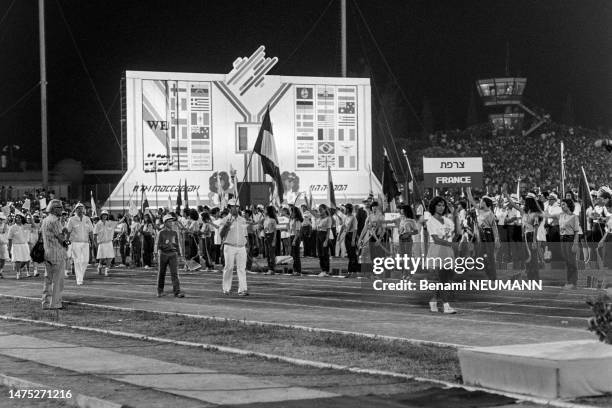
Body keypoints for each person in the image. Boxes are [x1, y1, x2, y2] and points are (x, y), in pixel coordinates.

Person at [426, 196, 457, 314]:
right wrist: (450, 244)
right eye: (439, 205)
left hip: (448, 251)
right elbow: (436, 239)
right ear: (434, 206)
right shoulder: (431, 221)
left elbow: (456, 232)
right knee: (440, 278)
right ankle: (446, 305)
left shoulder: (448, 221)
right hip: (437, 250)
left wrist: (455, 214)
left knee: (446, 279)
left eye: (443, 205)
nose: (441, 207)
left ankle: (433, 301)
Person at [546, 198, 580, 289]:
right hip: (562, 240)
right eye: (561, 204)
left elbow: (577, 232)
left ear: (568, 205)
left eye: (563, 204)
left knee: (572, 261)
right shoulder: (560, 215)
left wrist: (575, 244)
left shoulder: (574, 217)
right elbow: (548, 215)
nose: (562, 206)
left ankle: (573, 282)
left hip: (570, 239)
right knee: (567, 261)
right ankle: (569, 282)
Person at [41, 199, 69, 310]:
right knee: (58, 280)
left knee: (48, 279)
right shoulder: (55, 220)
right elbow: (61, 238)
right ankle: (55, 303)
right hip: (57, 253)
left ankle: (46, 302)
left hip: (47, 252)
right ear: (54, 209)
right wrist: (67, 239)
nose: (61, 210)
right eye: (60, 208)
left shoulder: (45, 220)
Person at [220, 199, 249, 295]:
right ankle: (226, 289)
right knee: (229, 267)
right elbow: (221, 234)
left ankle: (242, 289)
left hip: (241, 247)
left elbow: (245, 234)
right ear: (229, 208)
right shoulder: (224, 220)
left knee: (242, 268)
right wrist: (226, 226)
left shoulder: (243, 220)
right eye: (233, 206)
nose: (236, 208)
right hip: (229, 247)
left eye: (237, 206)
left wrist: (247, 246)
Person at [156, 214, 185, 297]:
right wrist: (156, 254)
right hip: (163, 254)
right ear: (165, 223)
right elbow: (157, 244)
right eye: (169, 222)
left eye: (172, 221)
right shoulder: (161, 233)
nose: (171, 223)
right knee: (162, 273)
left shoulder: (174, 232)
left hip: (173, 254)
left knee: (175, 273)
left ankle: (177, 292)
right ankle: (160, 291)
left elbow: (176, 244)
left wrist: (179, 254)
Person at [65, 203, 94, 285]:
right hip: (75, 243)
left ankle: (80, 276)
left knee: (85, 261)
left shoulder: (87, 219)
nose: (80, 210)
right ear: (75, 210)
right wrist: (67, 242)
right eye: (78, 208)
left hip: (85, 243)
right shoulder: (72, 219)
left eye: (82, 208)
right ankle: (79, 279)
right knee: (77, 261)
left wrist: (93, 241)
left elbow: (91, 231)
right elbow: (68, 231)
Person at [8, 210, 31, 279]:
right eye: (16, 218)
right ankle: (18, 273)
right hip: (16, 245)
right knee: (18, 260)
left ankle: (20, 268)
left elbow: (33, 224)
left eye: (19, 218)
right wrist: (9, 248)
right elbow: (9, 238)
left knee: (26, 260)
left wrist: (30, 215)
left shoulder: (25, 226)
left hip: (24, 245)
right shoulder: (12, 227)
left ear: (22, 219)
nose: (17, 219)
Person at [397, 204, 419, 278]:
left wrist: (409, 233)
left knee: (408, 257)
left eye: (403, 210)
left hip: (408, 239)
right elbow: (400, 229)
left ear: (406, 211)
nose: (401, 212)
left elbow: (416, 231)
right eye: (401, 210)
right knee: (402, 257)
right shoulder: (401, 219)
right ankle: (404, 273)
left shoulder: (412, 220)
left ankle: (409, 273)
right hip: (401, 239)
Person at [94, 210, 117, 277]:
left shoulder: (109, 223)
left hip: (109, 242)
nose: (105, 216)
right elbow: (95, 234)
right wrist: (95, 243)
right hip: (102, 243)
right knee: (102, 257)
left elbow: (118, 223)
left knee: (110, 257)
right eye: (103, 215)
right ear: (101, 216)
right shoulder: (98, 224)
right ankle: (100, 266)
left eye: (106, 215)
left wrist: (124, 217)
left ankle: (107, 269)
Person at [341, 203, 359, 277]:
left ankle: (353, 272)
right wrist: (340, 236)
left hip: (352, 236)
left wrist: (353, 240)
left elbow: (355, 230)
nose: (344, 210)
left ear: (348, 209)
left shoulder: (353, 218)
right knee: (349, 254)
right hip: (347, 236)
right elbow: (343, 226)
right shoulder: (346, 217)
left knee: (353, 255)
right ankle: (350, 272)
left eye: (345, 208)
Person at [315, 204, 332, 276]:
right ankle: (323, 270)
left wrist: (326, 240)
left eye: (321, 209)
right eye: (319, 209)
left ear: (325, 209)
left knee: (325, 254)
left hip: (324, 235)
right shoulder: (319, 217)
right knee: (319, 254)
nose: (320, 211)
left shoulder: (328, 218)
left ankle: (326, 270)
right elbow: (310, 211)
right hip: (318, 235)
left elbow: (328, 230)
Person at [263, 206, 278, 275]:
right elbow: (265, 228)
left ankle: (272, 269)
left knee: (271, 254)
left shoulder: (273, 220)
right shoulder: (265, 219)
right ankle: (269, 268)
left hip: (271, 236)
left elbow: (275, 231)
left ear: (268, 211)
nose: (264, 210)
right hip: (266, 236)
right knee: (267, 254)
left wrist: (274, 240)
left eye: (265, 210)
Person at [289, 206, 303, 276]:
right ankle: (295, 270)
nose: (291, 213)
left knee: (296, 255)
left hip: (296, 237)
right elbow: (290, 229)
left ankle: (298, 270)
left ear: (295, 213)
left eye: (292, 212)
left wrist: (294, 240)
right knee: (293, 255)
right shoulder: (292, 220)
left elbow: (297, 232)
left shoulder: (297, 220)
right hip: (292, 236)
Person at [0, 213, 8, 278]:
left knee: (3, 258)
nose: (0, 220)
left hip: (3, 244)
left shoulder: (5, 225)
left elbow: (4, 232)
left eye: (1, 219)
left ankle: (1, 271)